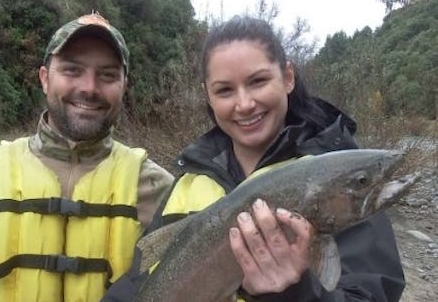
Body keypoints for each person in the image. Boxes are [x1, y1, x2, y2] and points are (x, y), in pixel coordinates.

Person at [103, 15, 405, 301]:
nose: (244, 104)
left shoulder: (336, 175)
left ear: (287, 77)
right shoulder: (187, 182)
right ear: (208, 96)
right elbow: (137, 281)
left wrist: (295, 294)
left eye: (258, 81)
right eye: (224, 90)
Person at [0, 12, 174, 302]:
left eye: (108, 75)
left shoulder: (162, 190)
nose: (89, 88)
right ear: (45, 78)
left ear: (123, 86)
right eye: (72, 70)